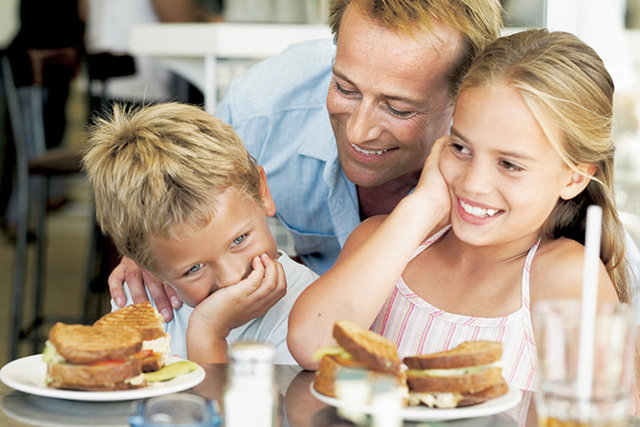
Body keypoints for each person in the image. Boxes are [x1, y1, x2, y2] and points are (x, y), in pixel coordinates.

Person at [107, 0, 505, 321]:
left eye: (399, 109)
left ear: (464, 97)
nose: (358, 133)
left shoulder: (507, 152)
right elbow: (173, 192)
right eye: (345, 89)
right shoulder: (263, 109)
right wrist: (150, 247)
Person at [288, 29, 633, 395]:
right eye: (460, 147)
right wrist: (421, 208)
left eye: (509, 164)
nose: (473, 183)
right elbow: (311, 346)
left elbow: (609, 415)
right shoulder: (383, 242)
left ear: (575, 179)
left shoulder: (565, 276)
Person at [82, 102, 318, 364]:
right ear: (145, 265)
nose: (231, 279)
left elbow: (224, 406)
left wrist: (208, 332)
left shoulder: (312, 312)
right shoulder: (141, 301)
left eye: (239, 240)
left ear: (261, 191)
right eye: (193, 269)